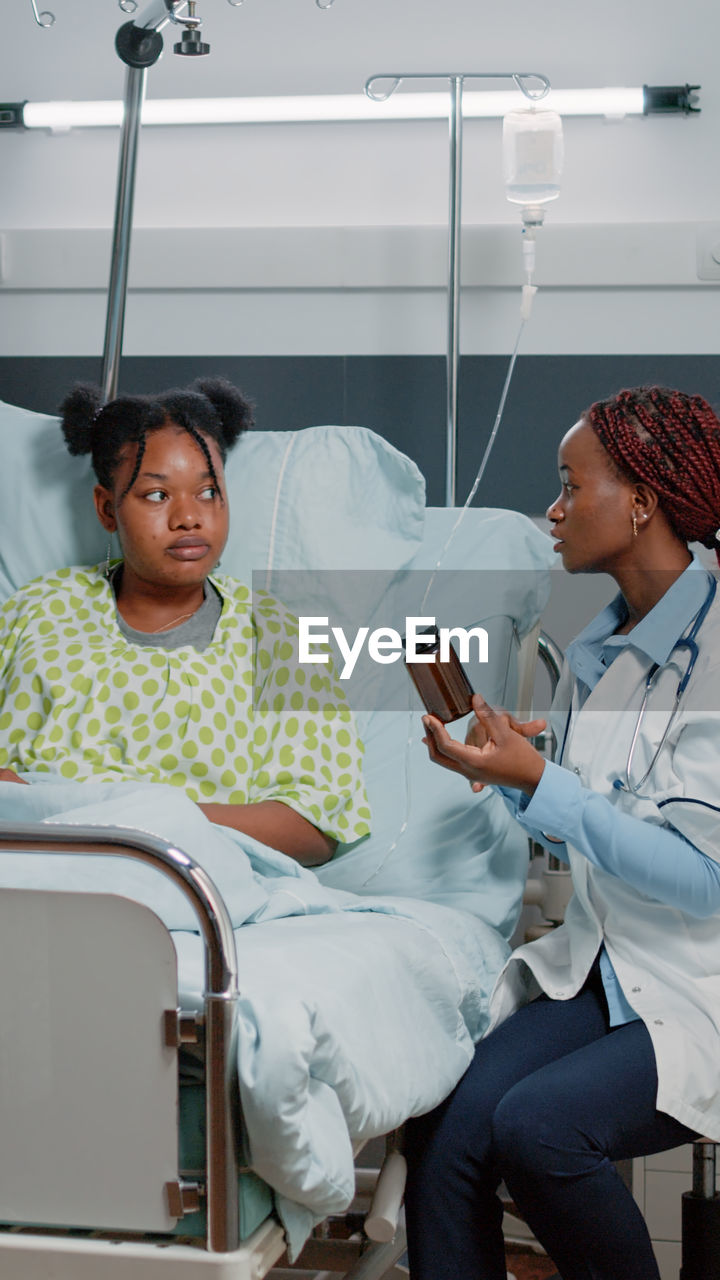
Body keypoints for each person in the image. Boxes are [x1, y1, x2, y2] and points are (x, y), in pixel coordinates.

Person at [404, 385, 720, 1280]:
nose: (553, 510)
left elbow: (704, 878)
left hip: (699, 983)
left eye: (570, 487)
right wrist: (501, 776)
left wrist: (543, 781)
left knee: (540, 1130)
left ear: (643, 503)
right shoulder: (603, 650)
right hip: (607, 968)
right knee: (444, 1130)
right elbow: (593, 824)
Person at [0, 378, 371, 865]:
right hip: (32, 865)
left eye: (208, 492)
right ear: (107, 509)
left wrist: (150, 823)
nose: (188, 518)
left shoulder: (274, 638)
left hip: (193, 877)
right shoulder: (38, 612)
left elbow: (315, 825)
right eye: (156, 496)